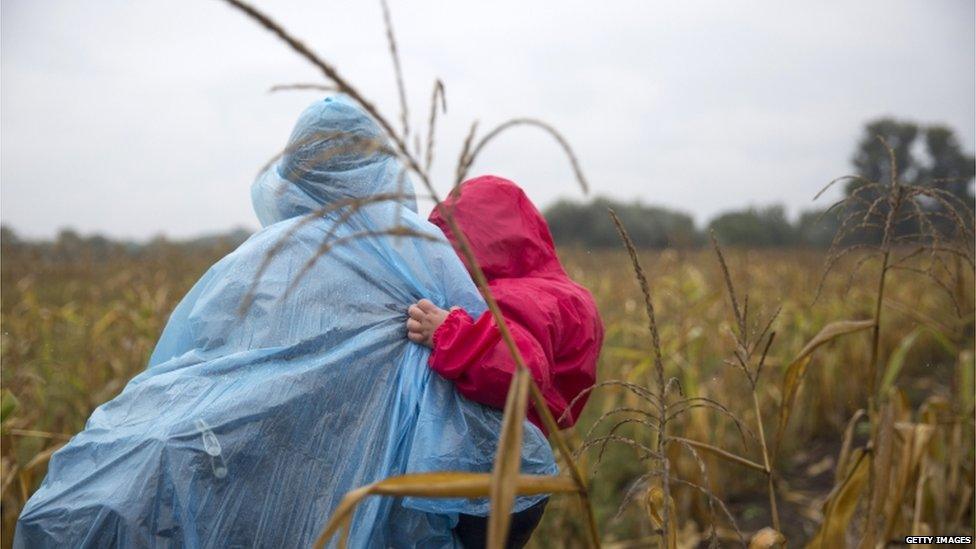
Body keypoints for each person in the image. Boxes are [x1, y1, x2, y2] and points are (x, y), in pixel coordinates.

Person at [15, 97, 556, 548]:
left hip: (274, 468)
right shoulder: (422, 249)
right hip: (396, 488)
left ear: (295, 175)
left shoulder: (254, 260)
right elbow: (493, 364)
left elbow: (202, 362)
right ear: (382, 167)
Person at [406, 175, 605, 546]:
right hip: (520, 476)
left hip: (492, 482)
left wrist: (450, 332)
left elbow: (521, 371)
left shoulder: (511, 299)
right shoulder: (557, 292)